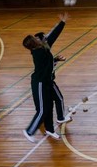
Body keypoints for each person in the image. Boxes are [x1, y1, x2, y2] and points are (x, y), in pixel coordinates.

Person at [22, 12, 72, 142]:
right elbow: (51, 38)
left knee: (53, 103)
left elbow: (52, 37)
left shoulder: (42, 49)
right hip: (40, 83)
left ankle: (50, 129)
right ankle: (29, 131)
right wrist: (61, 23)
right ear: (34, 43)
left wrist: (62, 22)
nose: (41, 39)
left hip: (48, 81)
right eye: (37, 38)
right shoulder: (38, 52)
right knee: (43, 110)